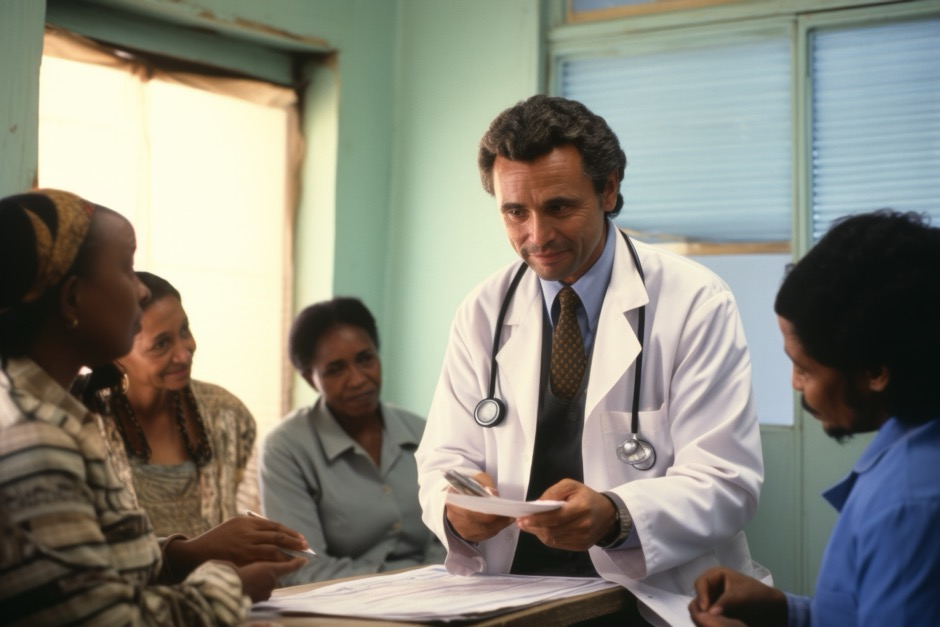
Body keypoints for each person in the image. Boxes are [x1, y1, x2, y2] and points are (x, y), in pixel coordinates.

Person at [415, 95, 767, 626]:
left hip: (650, 597)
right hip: (517, 598)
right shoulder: (483, 310)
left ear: (609, 188)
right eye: (515, 212)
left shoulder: (694, 300)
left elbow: (727, 479)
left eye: (559, 207)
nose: (537, 236)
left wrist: (618, 515)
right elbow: (443, 459)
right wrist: (455, 509)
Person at [0, 189, 306, 625]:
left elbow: (102, 570)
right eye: (126, 268)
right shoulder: (32, 438)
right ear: (72, 300)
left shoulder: (48, 411)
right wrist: (229, 585)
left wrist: (185, 555)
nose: (141, 289)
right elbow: (110, 619)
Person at [688, 210, 940, 627]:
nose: (795, 384)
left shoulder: (910, 505)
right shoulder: (908, 439)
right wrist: (785, 610)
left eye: (805, 368)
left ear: (875, 371)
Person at [260, 297, 445, 583]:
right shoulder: (286, 448)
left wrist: (433, 583)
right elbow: (302, 567)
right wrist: (400, 586)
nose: (358, 379)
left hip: (437, 594)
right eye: (336, 369)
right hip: (340, 604)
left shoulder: (422, 430)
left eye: (365, 359)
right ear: (311, 379)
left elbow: (447, 542)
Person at [77, 271, 260, 539]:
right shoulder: (81, 423)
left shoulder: (227, 414)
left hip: (227, 577)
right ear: (116, 352)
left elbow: (250, 511)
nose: (185, 352)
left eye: (184, 330)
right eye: (162, 344)